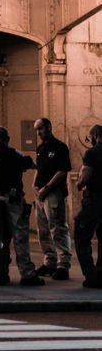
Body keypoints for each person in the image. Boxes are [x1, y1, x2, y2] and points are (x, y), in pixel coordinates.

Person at [0, 126, 44, 286]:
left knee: (1, 237)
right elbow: (28, 163)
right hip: (12, 198)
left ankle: (1, 271)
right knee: (20, 236)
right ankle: (27, 274)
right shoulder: (11, 154)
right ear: (8, 138)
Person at [33, 116, 72, 278]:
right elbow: (39, 170)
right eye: (36, 130)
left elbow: (62, 171)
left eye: (40, 128)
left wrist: (47, 188)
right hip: (40, 195)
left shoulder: (60, 147)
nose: (38, 133)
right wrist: (35, 186)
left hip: (53, 193)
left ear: (49, 127)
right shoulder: (40, 149)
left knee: (58, 228)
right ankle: (49, 262)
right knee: (43, 230)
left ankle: (63, 265)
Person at [74, 123, 102, 289]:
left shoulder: (91, 153)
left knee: (81, 233)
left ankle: (91, 275)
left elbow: (85, 178)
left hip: (95, 201)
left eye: (89, 136)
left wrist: (78, 184)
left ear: (95, 135)